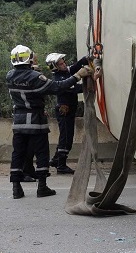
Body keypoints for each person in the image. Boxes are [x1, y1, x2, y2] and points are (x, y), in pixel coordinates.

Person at [6, 45, 92, 199]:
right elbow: (57, 87)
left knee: (17, 154)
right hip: (35, 121)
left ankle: (16, 189)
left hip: (18, 122)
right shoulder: (34, 77)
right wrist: (78, 75)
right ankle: (42, 187)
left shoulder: (10, 76)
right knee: (41, 153)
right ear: (29, 58)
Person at [46, 52, 90, 174]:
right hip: (64, 111)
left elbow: (76, 66)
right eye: (61, 64)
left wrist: (87, 58)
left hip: (68, 109)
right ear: (55, 67)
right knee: (66, 138)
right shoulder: (59, 79)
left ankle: (56, 160)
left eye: (63, 62)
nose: (64, 64)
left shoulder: (65, 72)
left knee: (65, 136)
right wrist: (92, 83)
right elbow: (75, 89)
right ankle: (61, 165)